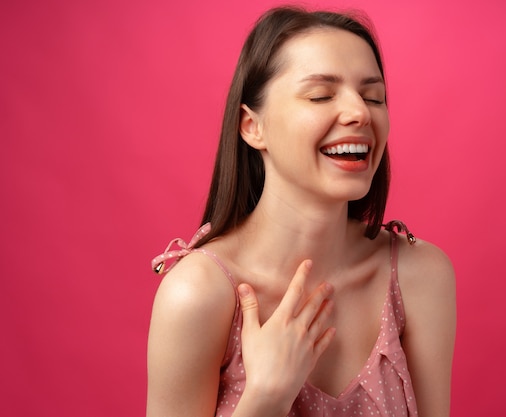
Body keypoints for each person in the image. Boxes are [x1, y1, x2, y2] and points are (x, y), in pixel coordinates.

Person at [146, 6, 456, 417]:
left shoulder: (421, 276)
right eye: (321, 95)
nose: (360, 113)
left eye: (373, 96)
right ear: (252, 127)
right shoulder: (198, 296)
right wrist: (265, 399)